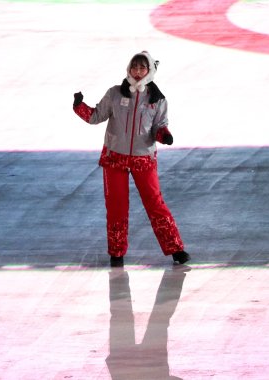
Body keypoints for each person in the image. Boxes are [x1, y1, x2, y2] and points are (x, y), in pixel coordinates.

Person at [72, 51, 190, 267]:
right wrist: (79, 106)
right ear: (128, 69)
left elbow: (159, 126)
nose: (137, 72)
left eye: (141, 68)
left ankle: (176, 249)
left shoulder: (158, 99)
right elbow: (95, 116)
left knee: (155, 204)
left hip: (143, 159)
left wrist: (164, 135)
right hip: (114, 158)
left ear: (149, 71)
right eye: (134, 67)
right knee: (116, 206)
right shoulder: (115, 93)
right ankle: (116, 253)